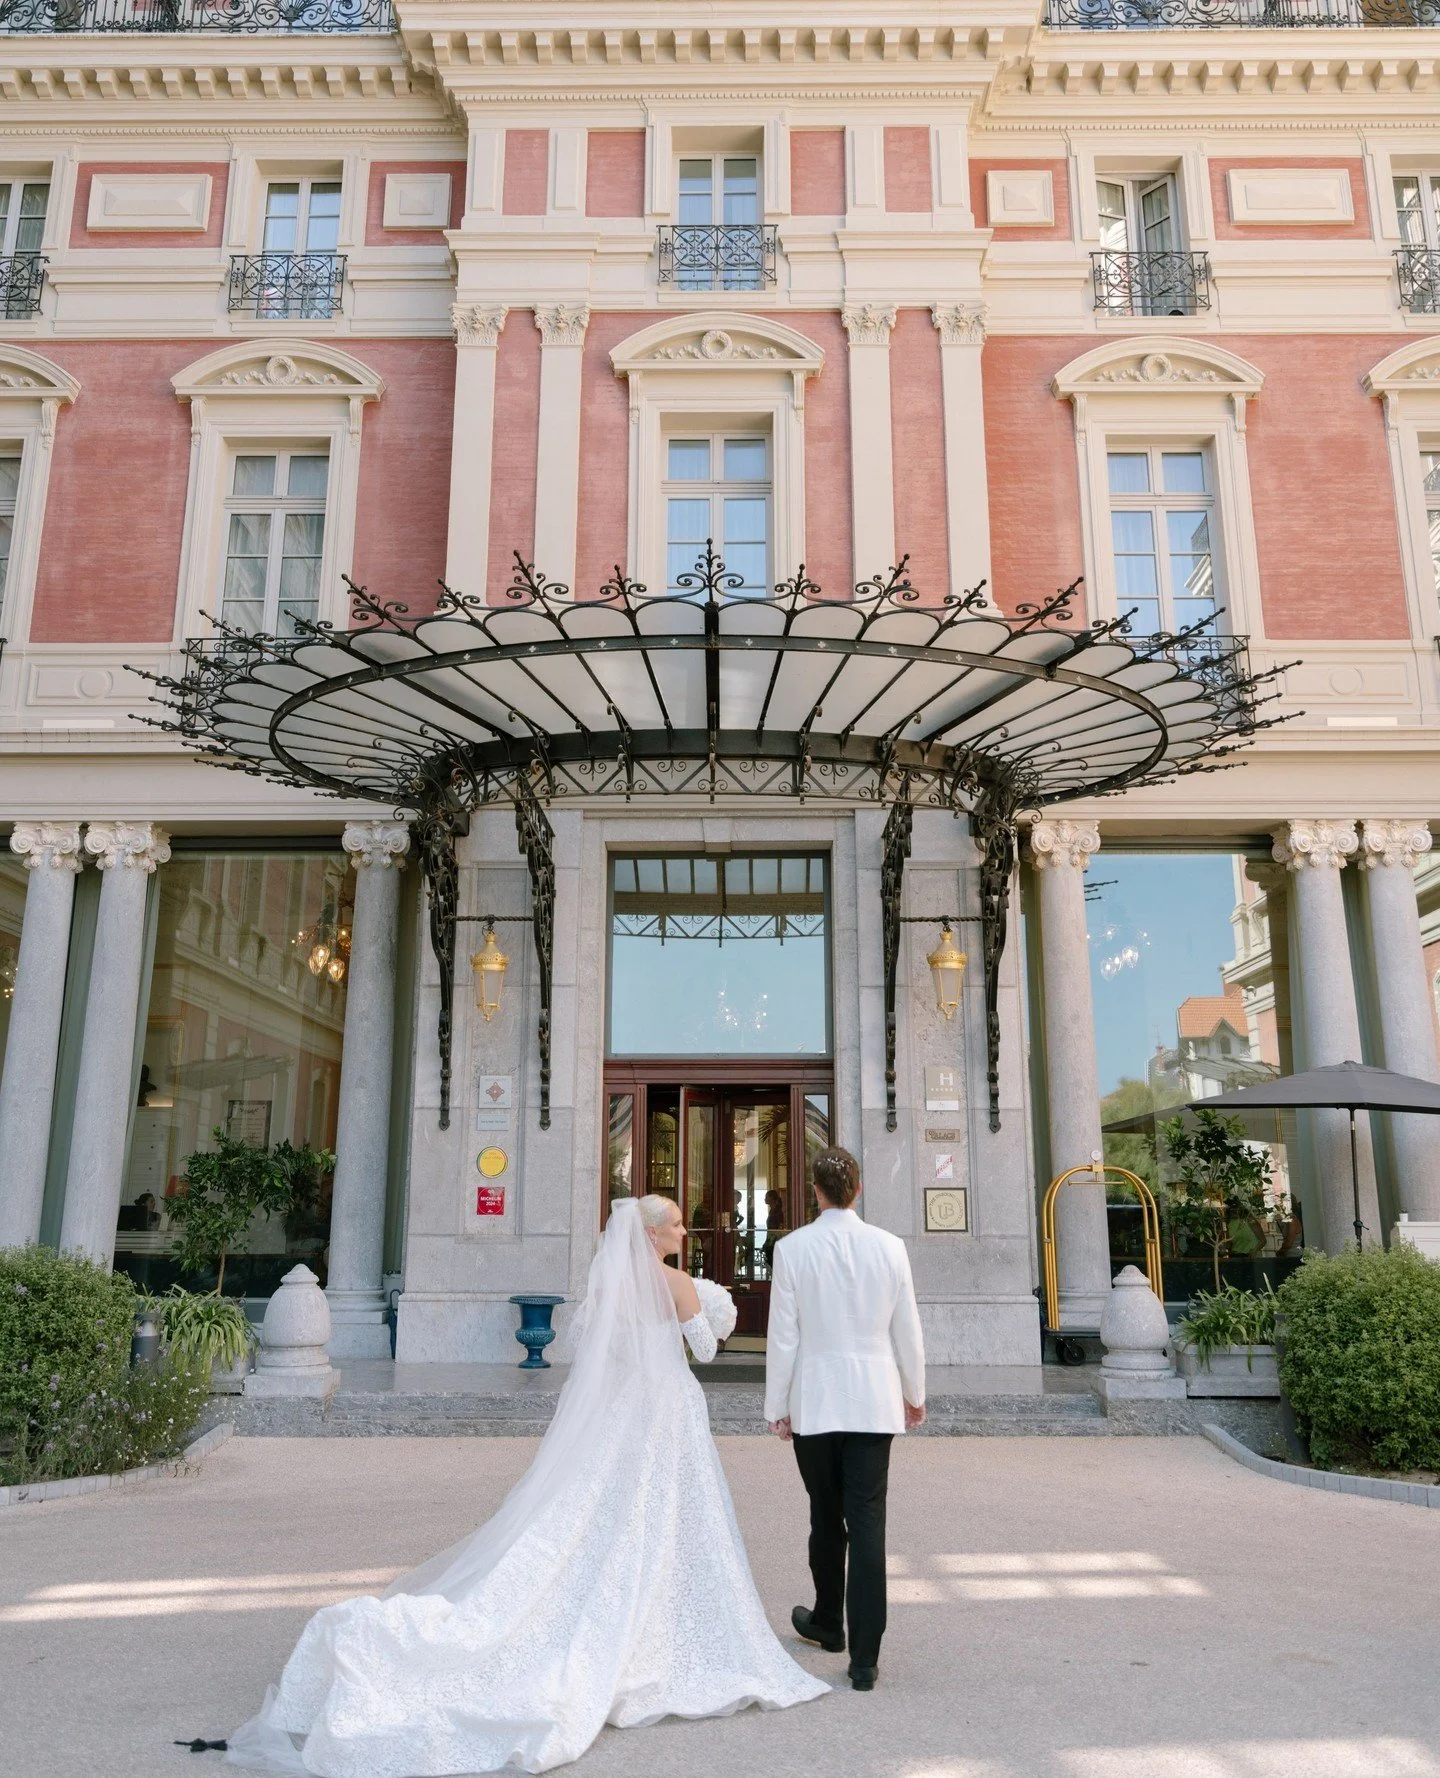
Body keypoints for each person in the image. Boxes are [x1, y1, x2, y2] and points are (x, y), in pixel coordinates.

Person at [224, 1195, 827, 1776]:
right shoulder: (675, 1283)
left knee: (610, 1506)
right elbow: (705, 1351)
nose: (683, 1232)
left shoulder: (611, 1283)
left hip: (622, 1410)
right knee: (662, 1509)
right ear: (650, 1235)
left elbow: (603, 1351)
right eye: (674, 1224)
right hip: (666, 1406)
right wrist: (717, 1313)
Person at [764, 1146, 926, 1694]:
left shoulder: (791, 1249)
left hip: (815, 1398)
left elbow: (784, 1335)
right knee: (869, 1522)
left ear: (816, 1190)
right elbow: (907, 1328)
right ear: (857, 1190)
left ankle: (829, 1622)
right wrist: (914, 1391)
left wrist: (777, 1405)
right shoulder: (890, 1247)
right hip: (874, 1399)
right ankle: (864, 1659)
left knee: (824, 1514)